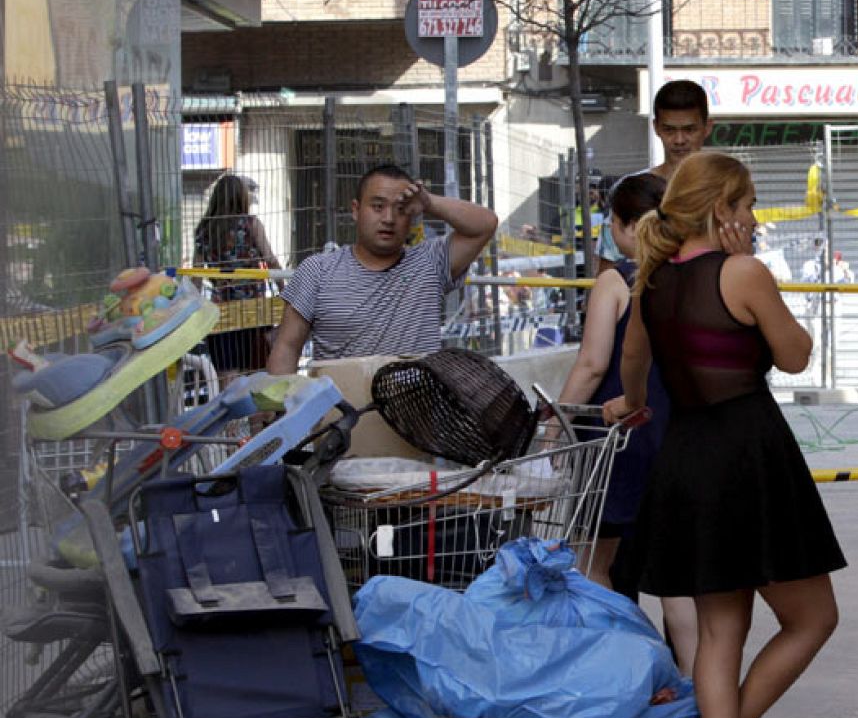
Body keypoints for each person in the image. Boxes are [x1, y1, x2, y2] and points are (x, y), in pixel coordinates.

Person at [602, 151, 845, 718]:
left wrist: (631, 402)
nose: (756, 216)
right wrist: (760, 276)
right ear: (723, 211)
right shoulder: (744, 273)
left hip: (687, 454)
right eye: (748, 204)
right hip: (748, 453)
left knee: (718, 633)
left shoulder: (650, 279)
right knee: (812, 616)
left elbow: (632, 360)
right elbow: (795, 356)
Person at [547, 172, 696, 674]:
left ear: (626, 225)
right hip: (676, 436)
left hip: (619, 441)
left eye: (611, 220)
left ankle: (634, 664)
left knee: (593, 566)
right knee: (678, 581)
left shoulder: (616, 281)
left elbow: (592, 365)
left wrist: (556, 425)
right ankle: (700, 693)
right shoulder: (690, 277)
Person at [266, 164, 498, 373]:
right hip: (343, 414)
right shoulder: (317, 271)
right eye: (377, 207)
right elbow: (286, 348)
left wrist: (430, 203)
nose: (388, 218)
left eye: (400, 209)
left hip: (418, 413)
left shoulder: (430, 263)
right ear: (356, 210)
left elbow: (485, 224)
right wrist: (284, 410)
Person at [194, 173, 281, 376]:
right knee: (256, 375)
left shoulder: (204, 230)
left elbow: (196, 275)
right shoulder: (251, 225)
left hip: (221, 312)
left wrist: (196, 309)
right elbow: (271, 260)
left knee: (227, 378)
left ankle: (232, 408)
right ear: (241, 197)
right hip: (253, 311)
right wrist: (284, 289)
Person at [649, 80, 713, 182]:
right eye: (669, 130)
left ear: (707, 128)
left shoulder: (730, 188)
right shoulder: (637, 189)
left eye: (690, 130)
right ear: (656, 128)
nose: (679, 140)